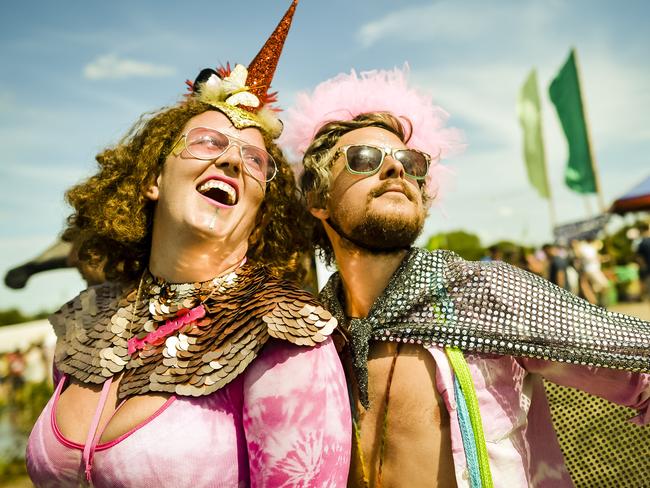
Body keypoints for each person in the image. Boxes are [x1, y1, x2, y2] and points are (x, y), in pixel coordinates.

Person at [25, 3, 351, 486]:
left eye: (255, 160)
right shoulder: (89, 321)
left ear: (263, 209)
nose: (233, 162)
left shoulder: (283, 333)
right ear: (152, 179)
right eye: (206, 142)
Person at [281, 67, 650, 487]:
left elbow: (640, 368)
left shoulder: (484, 293)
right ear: (317, 199)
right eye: (364, 159)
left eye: (410, 162)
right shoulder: (312, 339)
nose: (395, 170)